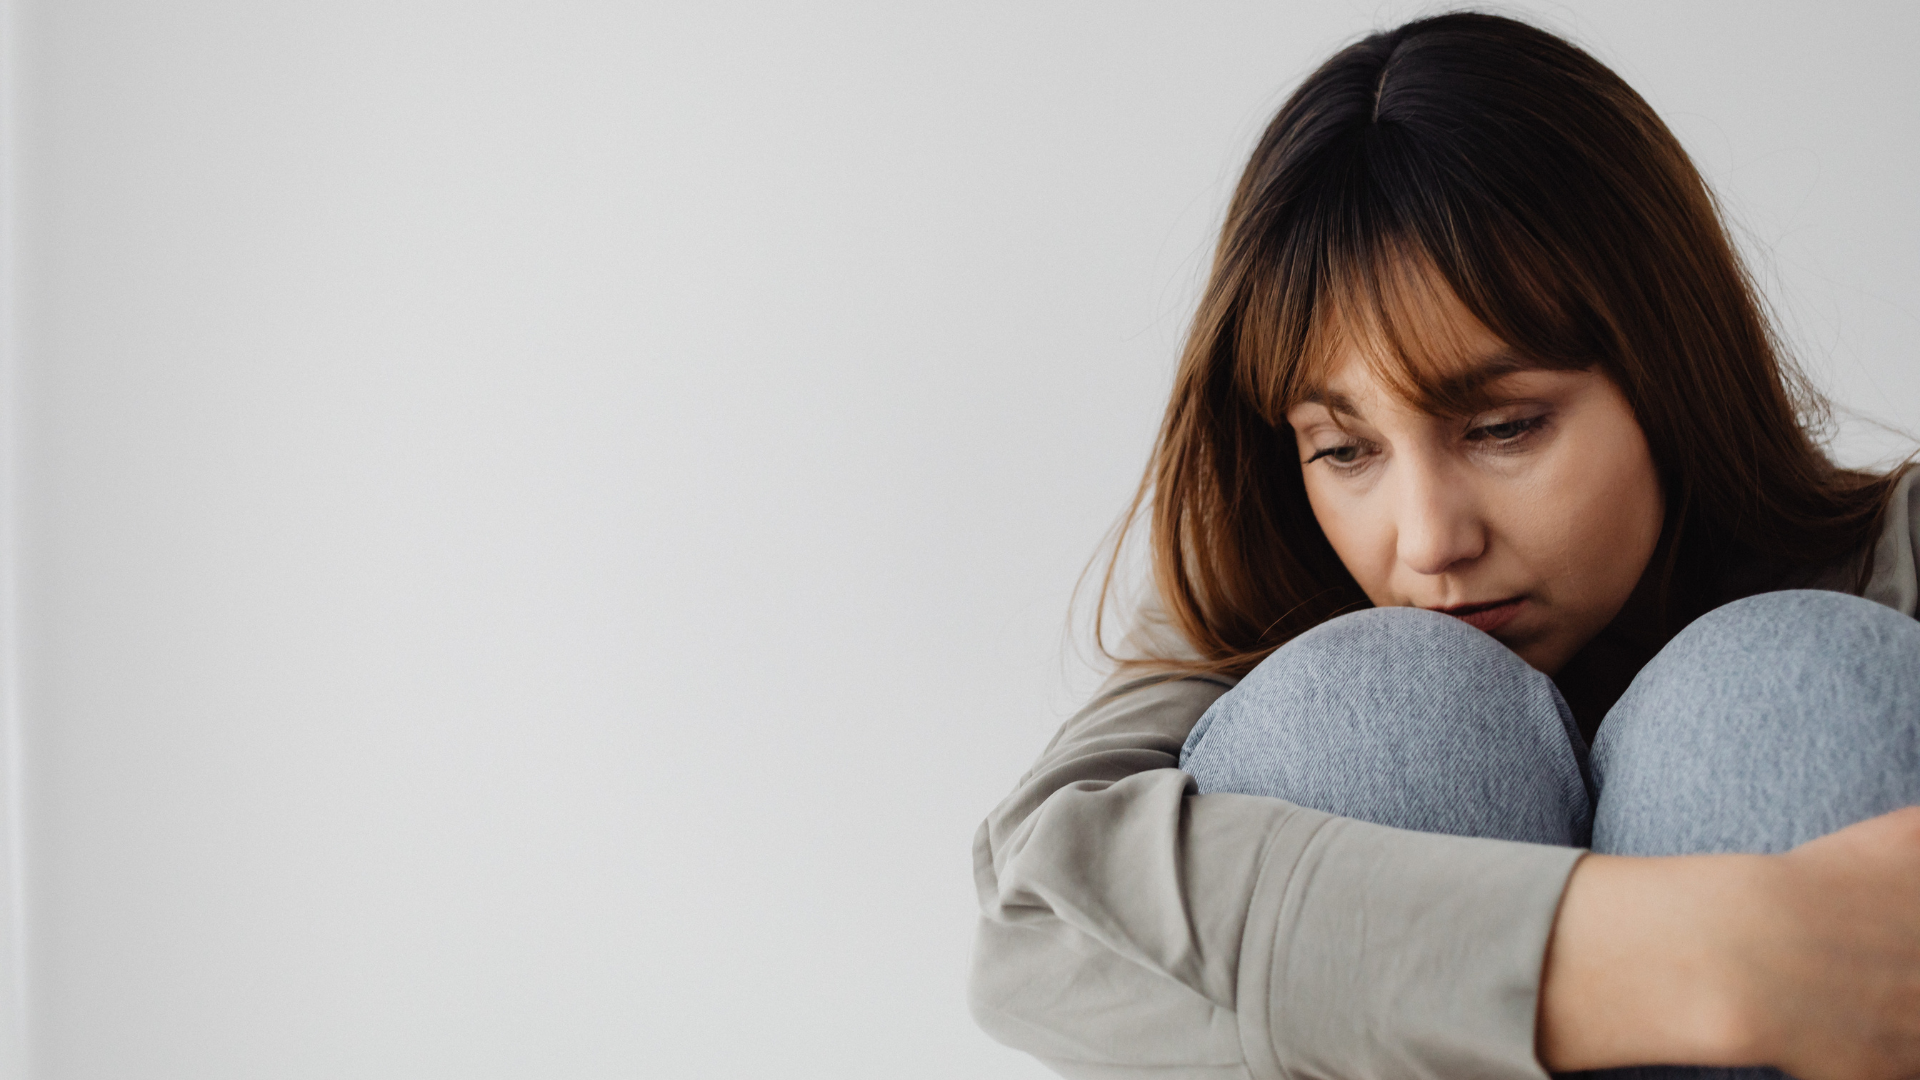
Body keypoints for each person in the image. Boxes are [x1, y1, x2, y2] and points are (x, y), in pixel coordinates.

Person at [968, 12, 1920, 1080]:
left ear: (1670, 368)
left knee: (1790, 688)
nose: (1428, 542)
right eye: (1343, 450)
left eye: (1504, 428)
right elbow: (1033, 933)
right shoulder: (1259, 601)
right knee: (1372, 708)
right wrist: (1691, 954)